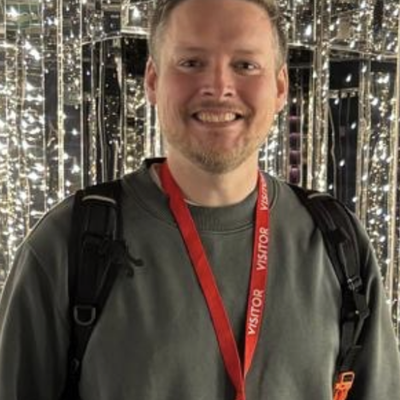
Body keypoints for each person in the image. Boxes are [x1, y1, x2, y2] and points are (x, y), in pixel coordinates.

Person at [0, 0, 399, 399]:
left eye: (245, 65)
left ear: (280, 87)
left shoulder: (337, 241)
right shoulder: (67, 243)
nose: (218, 87)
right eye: (191, 63)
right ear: (153, 80)